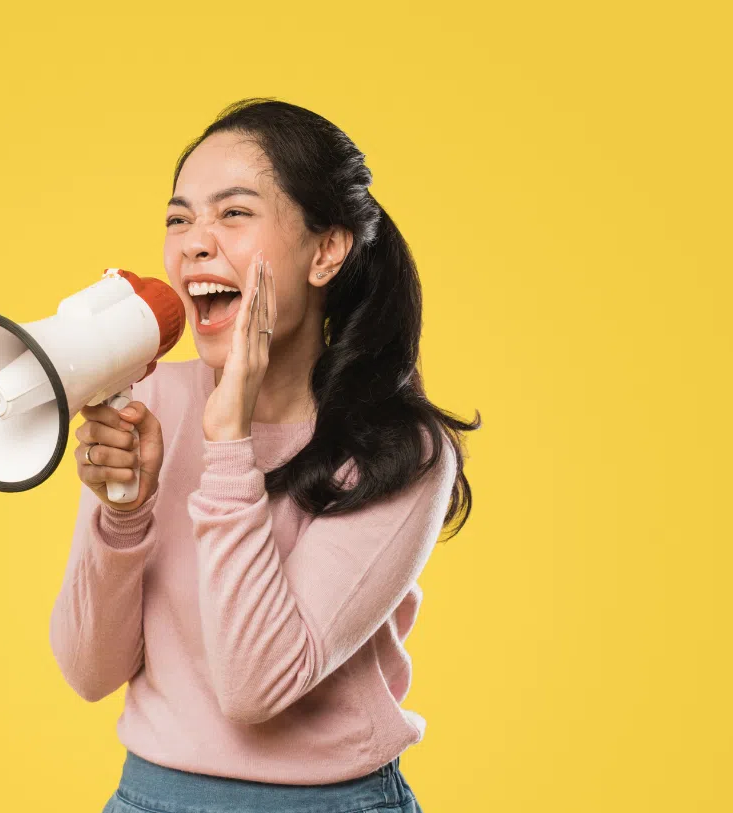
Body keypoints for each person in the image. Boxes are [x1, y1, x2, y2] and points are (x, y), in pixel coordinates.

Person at [48, 98, 481, 813]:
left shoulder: (400, 450)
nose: (194, 244)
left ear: (327, 250)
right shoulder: (151, 401)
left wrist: (230, 444)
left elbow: (256, 685)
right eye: (179, 219)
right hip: (147, 798)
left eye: (234, 213)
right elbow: (89, 672)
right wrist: (122, 514)